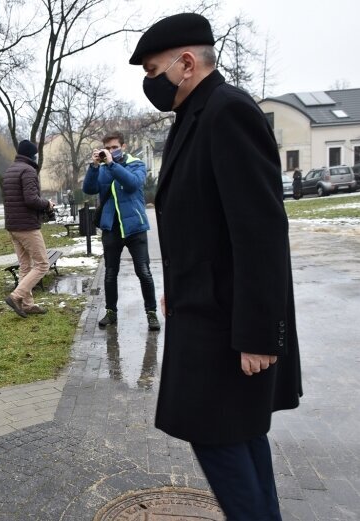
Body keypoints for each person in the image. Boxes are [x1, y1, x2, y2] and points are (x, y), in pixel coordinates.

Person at [130, 13, 302, 520]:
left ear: (186, 63)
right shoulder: (196, 115)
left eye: (153, 69)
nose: (149, 83)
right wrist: (176, 287)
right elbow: (203, 222)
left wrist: (258, 334)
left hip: (229, 324)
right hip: (202, 307)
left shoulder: (227, 112)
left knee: (219, 437)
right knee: (238, 437)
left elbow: (261, 231)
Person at [83, 131, 159, 331]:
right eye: (107, 148)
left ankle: (151, 313)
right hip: (112, 228)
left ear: (123, 147)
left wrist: (111, 164)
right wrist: (93, 167)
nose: (110, 151)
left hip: (134, 227)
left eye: (114, 147)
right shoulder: (102, 168)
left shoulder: (136, 164)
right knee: (110, 273)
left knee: (143, 272)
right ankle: (111, 312)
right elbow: (89, 189)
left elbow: (132, 184)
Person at [2, 139, 53, 317]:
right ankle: (16, 296)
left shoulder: (10, 170)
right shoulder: (28, 170)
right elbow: (31, 199)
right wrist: (47, 204)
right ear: (32, 155)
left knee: (25, 265)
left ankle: (27, 304)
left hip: (13, 225)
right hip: (27, 226)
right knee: (42, 264)